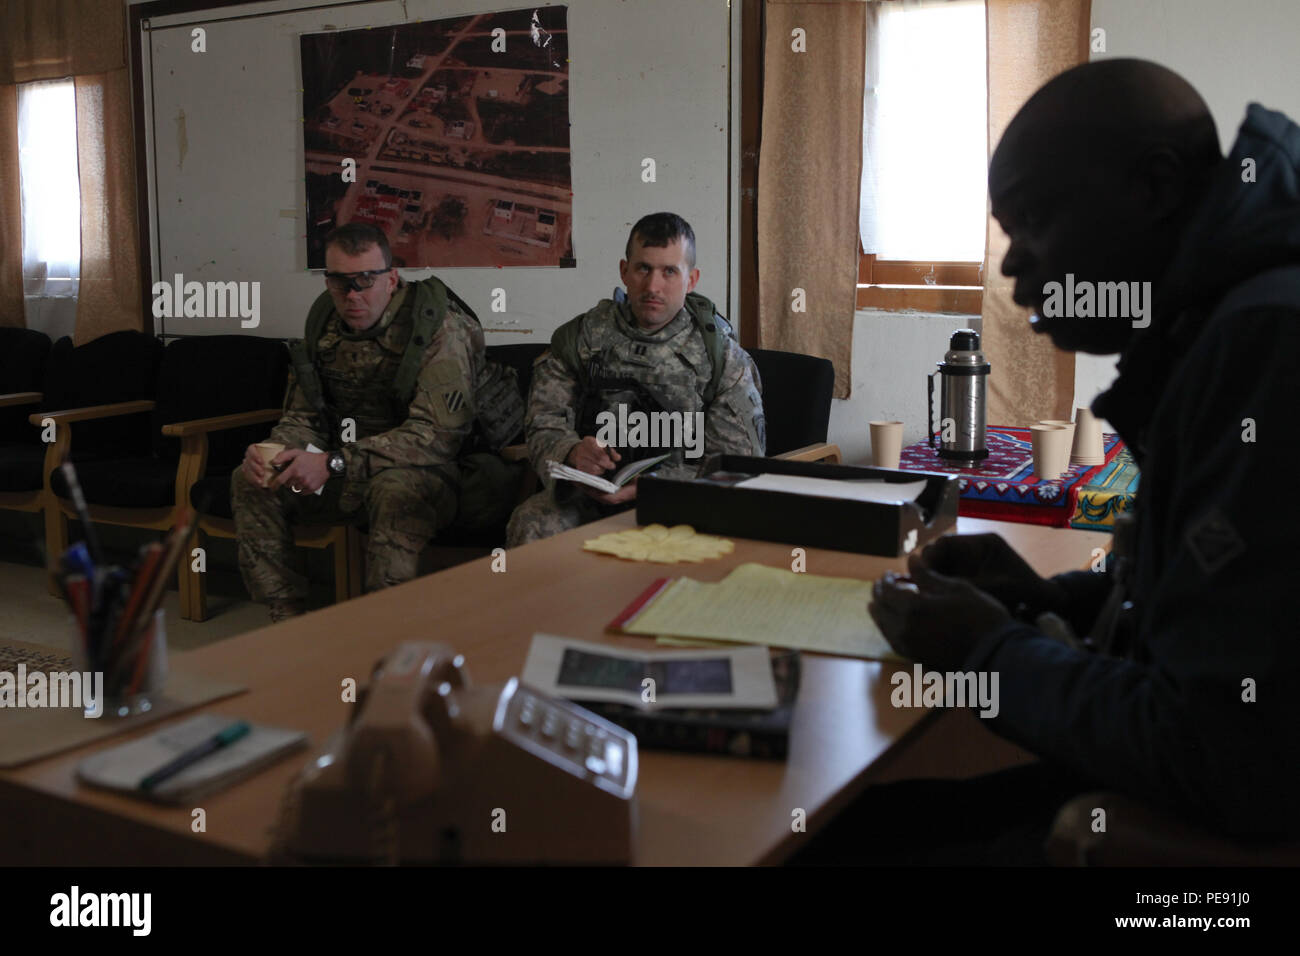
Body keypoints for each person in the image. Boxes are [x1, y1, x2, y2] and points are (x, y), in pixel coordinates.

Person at [796, 58, 1297, 864]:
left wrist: (986, 652)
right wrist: (1045, 595)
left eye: (1032, 220)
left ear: (1156, 186)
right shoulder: (1228, 320)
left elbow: (1227, 755)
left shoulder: (1268, 345)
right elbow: (1229, 622)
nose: (1010, 266)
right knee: (851, 826)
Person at [232, 223, 501, 621]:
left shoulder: (439, 329)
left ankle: (384, 628)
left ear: (391, 279)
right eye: (341, 283)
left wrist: (332, 463)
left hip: (430, 473)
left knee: (394, 492)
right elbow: (304, 416)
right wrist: (278, 451)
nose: (352, 295)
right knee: (248, 480)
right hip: (345, 468)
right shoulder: (323, 326)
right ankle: (285, 616)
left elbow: (437, 437)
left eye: (366, 281)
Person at [506, 212, 766, 545]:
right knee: (532, 522)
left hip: (684, 500)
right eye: (643, 268)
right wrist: (570, 452)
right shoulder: (581, 340)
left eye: (669, 271)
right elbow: (544, 421)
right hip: (591, 499)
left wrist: (661, 485)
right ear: (624, 271)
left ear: (692, 279)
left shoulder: (722, 356)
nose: (653, 286)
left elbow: (737, 464)